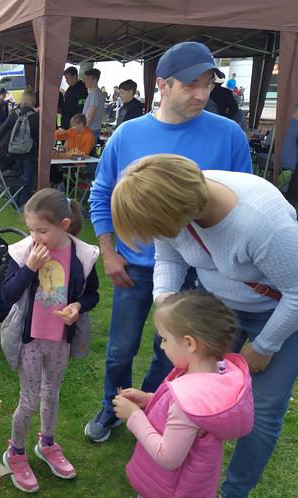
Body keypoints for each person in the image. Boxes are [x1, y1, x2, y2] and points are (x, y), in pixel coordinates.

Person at [85, 41, 253, 445]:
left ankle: (157, 409)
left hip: (203, 272)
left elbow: (243, 202)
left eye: (207, 84)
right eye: (189, 85)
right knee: (121, 348)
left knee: (173, 354)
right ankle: (113, 405)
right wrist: (108, 252)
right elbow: (101, 193)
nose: (201, 94)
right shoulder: (128, 134)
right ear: (162, 85)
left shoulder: (229, 134)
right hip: (135, 267)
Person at [110, 154, 298, 497]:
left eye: (156, 229)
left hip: (278, 312)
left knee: (263, 412)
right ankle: (189, 475)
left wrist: (265, 345)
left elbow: (297, 291)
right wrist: (165, 299)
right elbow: (168, 257)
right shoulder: (171, 203)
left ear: (179, 213)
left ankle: (232, 492)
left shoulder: (262, 223)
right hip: (216, 310)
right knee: (192, 396)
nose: (156, 236)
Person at [0, 188, 100, 493]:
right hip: (29, 341)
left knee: (51, 394)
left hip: (59, 340)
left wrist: (78, 306)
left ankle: (47, 444)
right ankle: (15, 452)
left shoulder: (81, 255)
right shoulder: (22, 252)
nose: (35, 236)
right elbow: (7, 295)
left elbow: (92, 294)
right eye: (31, 229)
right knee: (28, 401)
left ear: (65, 225)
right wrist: (30, 267)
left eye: (42, 230)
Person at [113, 290, 253, 498]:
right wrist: (149, 399)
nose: (161, 346)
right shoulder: (217, 376)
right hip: (191, 484)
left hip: (170, 490)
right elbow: (189, 419)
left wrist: (134, 415)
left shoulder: (189, 399)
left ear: (189, 343)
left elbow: (168, 456)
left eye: (165, 339)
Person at [0, 89, 39, 207]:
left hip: (14, 152)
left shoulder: (14, 113)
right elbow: (37, 137)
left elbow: (1, 131)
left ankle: (15, 201)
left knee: (19, 178)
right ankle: (21, 205)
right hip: (29, 153)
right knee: (28, 180)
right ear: (33, 101)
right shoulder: (34, 117)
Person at [82, 68, 106, 142]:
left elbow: (90, 115)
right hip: (92, 129)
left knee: (84, 153)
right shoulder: (96, 92)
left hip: (90, 130)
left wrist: (83, 129)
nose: (85, 81)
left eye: (88, 79)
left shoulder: (95, 94)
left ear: (95, 80)